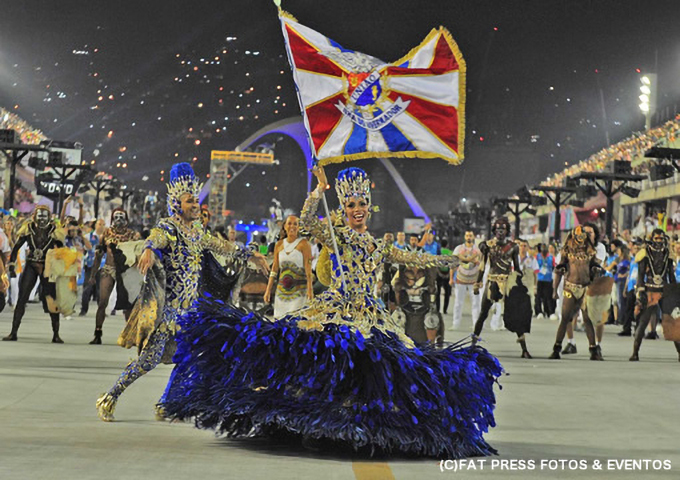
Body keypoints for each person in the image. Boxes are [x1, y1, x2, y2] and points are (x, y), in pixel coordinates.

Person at [161, 166, 503, 458]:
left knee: (380, 372)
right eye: (350, 204)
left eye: (361, 203)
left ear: (370, 206)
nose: (356, 209)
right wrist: (318, 189)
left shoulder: (379, 244)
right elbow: (308, 221)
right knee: (327, 364)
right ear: (343, 206)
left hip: (373, 317)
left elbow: (419, 259)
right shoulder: (335, 235)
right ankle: (318, 426)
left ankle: (365, 430)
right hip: (337, 311)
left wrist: (456, 259)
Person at [95, 163, 266, 421]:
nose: (196, 205)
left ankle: (165, 404)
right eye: (190, 201)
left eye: (196, 200)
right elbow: (156, 236)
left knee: (193, 359)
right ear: (176, 203)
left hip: (192, 312)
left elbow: (222, 246)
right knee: (147, 361)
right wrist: (150, 248)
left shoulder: (198, 232)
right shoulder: (169, 228)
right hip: (169, 313)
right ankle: (110, 396)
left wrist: (250, 254)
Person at [2, 206, 65, 342]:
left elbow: (61, 249)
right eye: (39, 216)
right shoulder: (28, 229)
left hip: (48, 266)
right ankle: (13, 332)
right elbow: (16, 247)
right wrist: (12, 265)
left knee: (52, 300)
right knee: (22, 298)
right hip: (31, 265)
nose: (42, 219)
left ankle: (56, 334)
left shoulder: (54, 231)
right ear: (34, 216)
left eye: (44, 216)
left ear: (49, 217)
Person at [472, 218, 532, 358]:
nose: (500, 232)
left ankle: (524, 348)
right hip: (492, 281)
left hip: (507, 283)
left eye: (503, 229)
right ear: (494, 231)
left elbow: (516, 268)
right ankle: (473, 345)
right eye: (498, 230)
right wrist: (477, 283)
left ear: (507, 231)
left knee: (515, 315)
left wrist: (522, 283)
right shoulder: (487, 246)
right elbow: (482, 266)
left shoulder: (513, 247)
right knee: (483, 314)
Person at [549, 225, 604, 360]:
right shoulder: (566, 252)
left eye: (582, 237)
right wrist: (555, 290)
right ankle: (557, 348)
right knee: (565, 318)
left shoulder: (591, 251)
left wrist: (596, 276)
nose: (580, 240)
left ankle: (593, 349)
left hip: (585, 288)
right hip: (570, 288)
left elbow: (595, 269)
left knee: (587, 319)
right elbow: (558, 271)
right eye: (578, 237)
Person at [87, 208, 139, 345]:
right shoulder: (106, 234)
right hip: (109, 269)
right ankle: (97, 333)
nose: (119, 220)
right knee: (102, 302)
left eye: (122, 217)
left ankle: (130, 335)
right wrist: (93, 274)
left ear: (127, 219)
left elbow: (137, 255)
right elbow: (98, 256)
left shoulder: (132, 235)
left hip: (125, 272)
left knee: (128, 305)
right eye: (116, 217)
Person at [630, 229, 680, 361]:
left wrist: (674, 292)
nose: (659, 241)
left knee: (672, 322)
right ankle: (635, 352)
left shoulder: (668, 254)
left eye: (661, 238)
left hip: (664, 290)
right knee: (643, 322)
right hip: (650, 290)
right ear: (651, 238)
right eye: (656, 238)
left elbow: (671, 275)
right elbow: (640, 275)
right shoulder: (645, 254)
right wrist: (640, 291)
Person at [264, 215, 313, 318]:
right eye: (289, 223)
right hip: (281, 293)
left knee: (295, 323)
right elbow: (274, 269)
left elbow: (308, 270)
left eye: (295, 224)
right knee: (280, 323)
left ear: (299, 227)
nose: (292, 226)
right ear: (284, 226)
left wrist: (310, 290)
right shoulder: (278, 245)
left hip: (300, 293)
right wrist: (268, 290)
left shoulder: (304, 244)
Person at [450, 231, 481, 330]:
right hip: (461, 278)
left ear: (473, 237)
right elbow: (453, 264)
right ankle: (456, 323)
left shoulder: (478, 249)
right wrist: (451, 278)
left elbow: (482, 265)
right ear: (464, 237)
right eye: (467, 235)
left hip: (474, 279)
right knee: (458, 303)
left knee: (476, 303)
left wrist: (481, 280)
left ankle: (476, 324)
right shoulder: (458, 249)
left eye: (470, 235)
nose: (469, 237)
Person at [534, 244, 555, 319]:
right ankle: (539, 312)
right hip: (539, 279)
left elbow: (553, 268)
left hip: (548, 279)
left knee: (549, 297)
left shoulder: (551, 257)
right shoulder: (537, 256)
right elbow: (534, 267)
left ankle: (550, 312)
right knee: (538, 297)